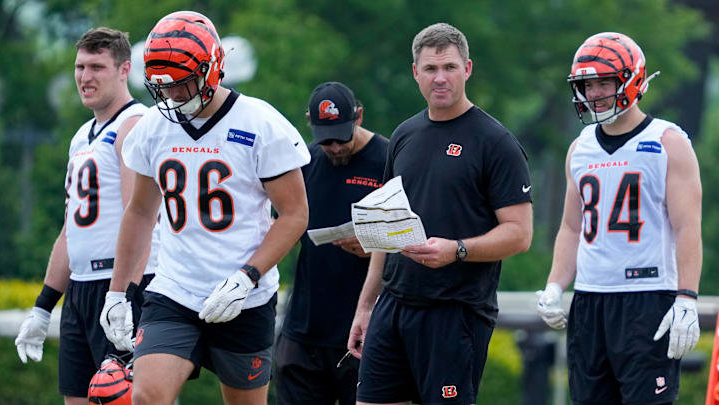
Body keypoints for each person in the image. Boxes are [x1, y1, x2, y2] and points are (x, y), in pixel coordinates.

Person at [98, 11, 310, 405]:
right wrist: (117, 293)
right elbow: (141, 213)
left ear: (212, 69)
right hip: (174, 289)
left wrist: (246, 277)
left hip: (244, 297)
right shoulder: (152, 127)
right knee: (145, 397)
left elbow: (295, 214)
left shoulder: (261, 123)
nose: (174, 95)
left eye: (183, 83)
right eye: (164, 85)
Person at [347, 23, 533, 405]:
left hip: (455, 313)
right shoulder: (403, 135)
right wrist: (366, 307)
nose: (440, 78)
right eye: (430, 69)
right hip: (393, 308)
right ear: (416, 73)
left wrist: (457, 250)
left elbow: (519, 234)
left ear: (467, 69)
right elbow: (389, 226)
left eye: (449, 67)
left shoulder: (495, 142)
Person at [536, 32, 702, 405]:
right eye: (587, 84)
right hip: (590, 300)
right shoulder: (580, 147)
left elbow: (687, 226)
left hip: (647, 298)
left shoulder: (667, 141)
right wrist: (554, 285)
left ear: (631, 80)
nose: (593, 93)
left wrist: (687, 297)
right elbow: (571, 227)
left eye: (604, 82)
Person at [13, 27, 157, 405]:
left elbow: (140, 217)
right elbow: (71, 230)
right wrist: (44, 307)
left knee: (125, 399)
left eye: (97, 66)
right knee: (77, 399)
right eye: (80, 66)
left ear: (124, 70)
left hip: (120, 286)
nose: (85, 77)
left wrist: (125, 294)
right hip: (81, 288)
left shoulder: (135, 124)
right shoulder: (82, 136)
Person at [274, 81, 389, 405]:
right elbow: (279, 226)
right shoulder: (305, 163)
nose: (336, 147)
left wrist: (374, 245)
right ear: (310, 124)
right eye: (327, 140)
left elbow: (414, 239)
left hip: (366, 329)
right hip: (304, 330)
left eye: (342, 136)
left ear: (359, 117)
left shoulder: (389, 160)